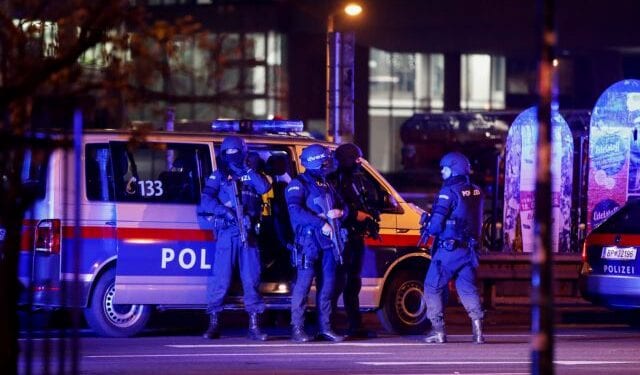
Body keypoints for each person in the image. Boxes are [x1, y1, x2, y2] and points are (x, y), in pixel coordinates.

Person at [200, 136, 271, 341]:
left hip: (248, 233)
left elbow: (264, 188)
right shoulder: (219, 176)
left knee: (252, 278)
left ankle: (254, 326)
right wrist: (225, 211)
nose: (232, 157)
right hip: (228, 232)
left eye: (236, 153)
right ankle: (213, 324)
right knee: (220, 278)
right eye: (229, 154)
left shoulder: (251, 174)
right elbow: (205, 200)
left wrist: (247, 170)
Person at [422, 151, 485, 344]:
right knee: (467, 288)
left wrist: (426, 223)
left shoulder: (448, 192)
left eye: (445, 168)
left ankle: (438, 331)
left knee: (432, 287)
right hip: (470, 250)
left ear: (454, 168)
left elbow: (436, 226)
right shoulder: (476, 191)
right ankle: (478, 332)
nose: (442, 171)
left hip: (449, 250)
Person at [285, 143, 346, 342]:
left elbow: (342, 205)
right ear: (316, 162)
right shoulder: (298, 184)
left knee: (327, 286)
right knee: (302, 287)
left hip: (328, 243)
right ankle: (297, 328)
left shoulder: (326, 183)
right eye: (325, 160)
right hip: (308, 242)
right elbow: (295, 211)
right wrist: (321, 223)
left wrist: (341, 212)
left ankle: (325, 327)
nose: (328, 163)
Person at [328, 143, 380, 339]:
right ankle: (327, 325)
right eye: (355, 159)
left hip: (356, 237)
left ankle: (355, 326)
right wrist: (357, 215)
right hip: (342, 238)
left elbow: (370, 203)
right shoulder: (334, 181)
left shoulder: (358, 180)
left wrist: (371, 217)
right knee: (337, 283)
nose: (359, 162)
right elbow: (335, 210)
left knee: (353, 284)